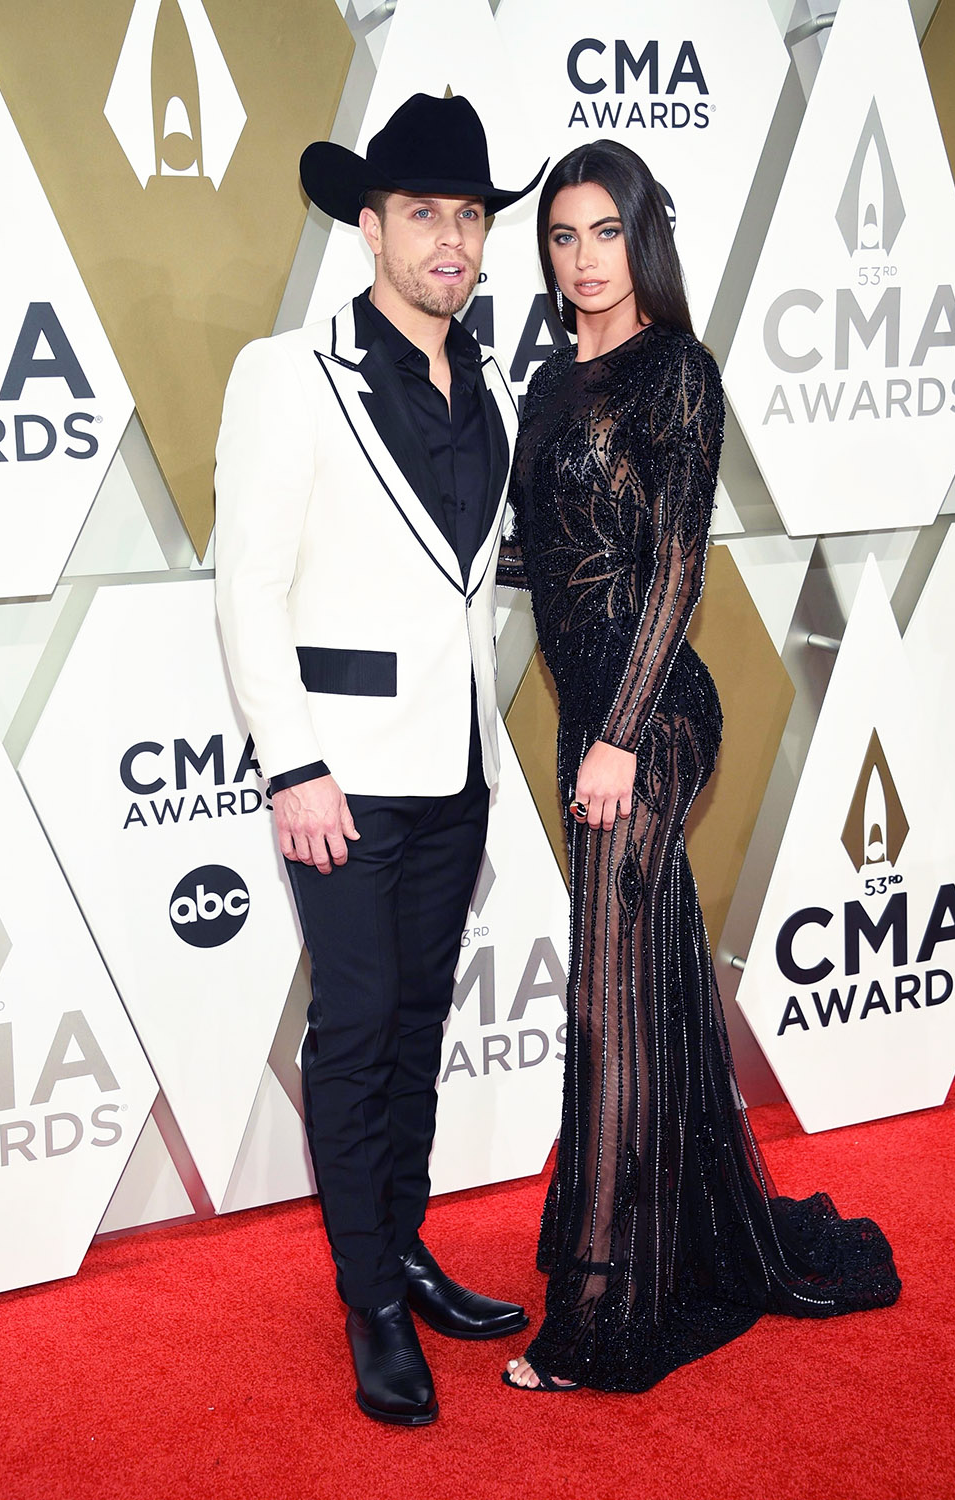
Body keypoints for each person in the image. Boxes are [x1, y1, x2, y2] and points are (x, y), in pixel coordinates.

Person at [497, 139, 901, 1394]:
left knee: (606, 1001)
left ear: (642, 241)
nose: (581, 261)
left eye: (603, 234)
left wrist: (620, 736)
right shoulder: (548, 386)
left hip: (654, 715)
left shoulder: (678, 369)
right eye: (561, 238)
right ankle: (667, 1238)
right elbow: (534, 565)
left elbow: (677, 565)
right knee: (639, 977)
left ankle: (604, 1319)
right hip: (584, 725)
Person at [214, 94, 545, 1427]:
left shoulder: (497, 393)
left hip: (454, 772)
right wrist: (293, 766)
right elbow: (249, 590)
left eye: (468, 216)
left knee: (415, 1023)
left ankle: (400, 1244)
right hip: (338, 778)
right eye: (424, 213)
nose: (450, 240)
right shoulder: (285, 374)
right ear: (371, 225)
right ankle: (366, 1296)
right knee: (353, 1029)